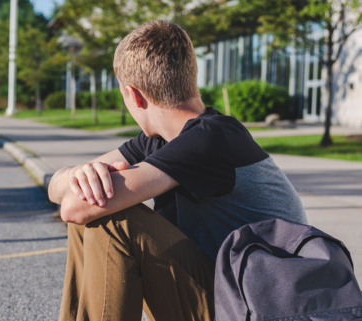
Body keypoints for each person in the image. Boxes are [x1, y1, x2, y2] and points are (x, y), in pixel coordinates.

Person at [49, 20, 308, 321]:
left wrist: (84, 187)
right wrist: (81, 172)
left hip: (259, 310)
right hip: (231, 299)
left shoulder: (211, 139)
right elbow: (57, 188)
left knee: (112, 217)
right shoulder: (159, 141)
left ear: (133, 95)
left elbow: (74, 207)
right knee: (97, 204)